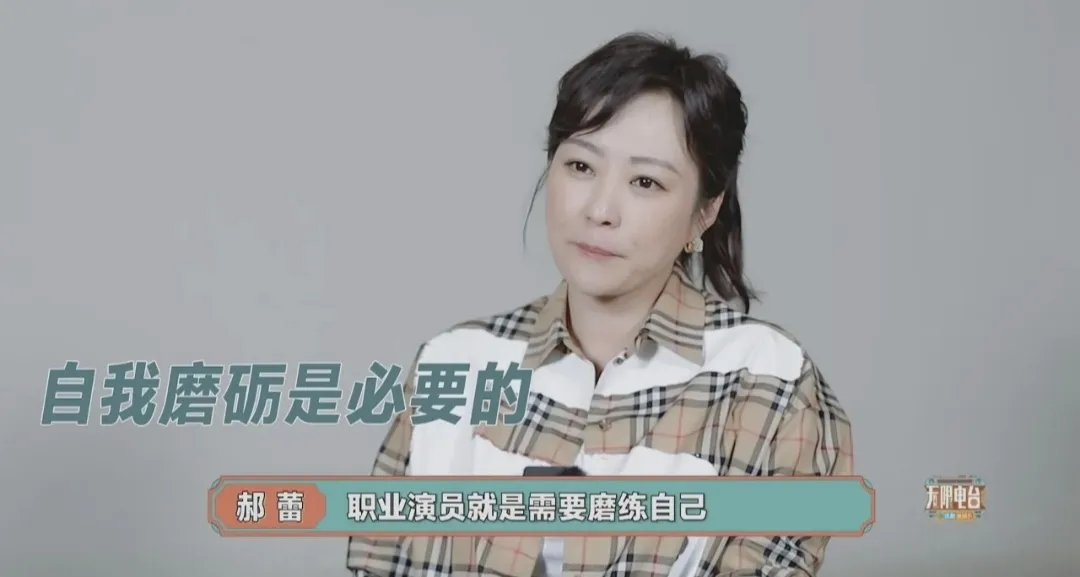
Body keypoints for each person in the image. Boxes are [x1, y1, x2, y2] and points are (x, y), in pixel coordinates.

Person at [347, 32, 854, 577]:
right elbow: (379, 560)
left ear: (705, 212)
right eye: (581, 167)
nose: (600, 210)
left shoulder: (770, 383)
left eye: (645, 181)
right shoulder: (454, 363)